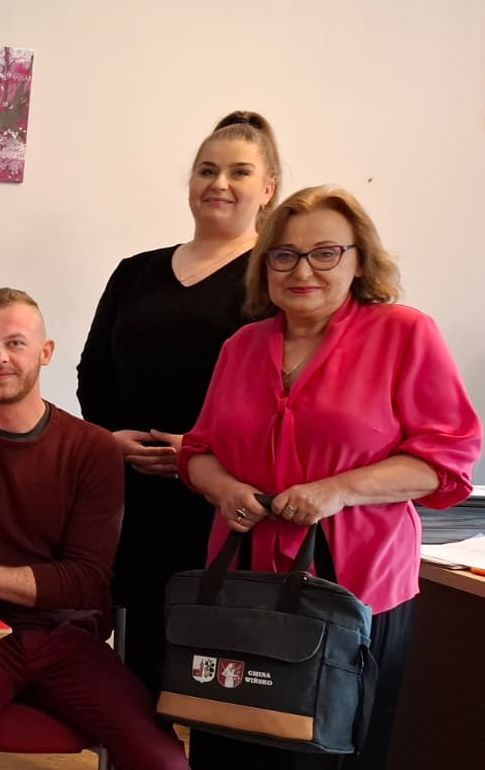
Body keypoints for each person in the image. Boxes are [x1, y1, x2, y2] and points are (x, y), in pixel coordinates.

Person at [181, 186, 481, 770]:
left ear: (359, 260)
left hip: (354, 590)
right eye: (284, 255)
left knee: (331, 751)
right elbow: (198, 451)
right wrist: (224, 488)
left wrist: (336, 491)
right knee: (231, 743)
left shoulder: (403, 333)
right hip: (244, 587)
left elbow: (446, 459)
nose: (302, 271)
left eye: (325, 253)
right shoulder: (242, 346)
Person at [0, 288, 189, 770]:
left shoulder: (93, 449)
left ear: (45, 352)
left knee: (164, 759)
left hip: (68, 637)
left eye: (15, 343)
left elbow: (83, 580)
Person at [76, 111, 281, 694]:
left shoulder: (274, 281)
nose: (219, 184)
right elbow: (93, 372)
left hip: (220, 498)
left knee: (209, 667)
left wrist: (200, 453)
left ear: (268, 189)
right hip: (128, 490)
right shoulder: (135, 272)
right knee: (136, 657)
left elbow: (278, 393)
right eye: (207, 170)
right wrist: (109, 440)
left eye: (239, 172)